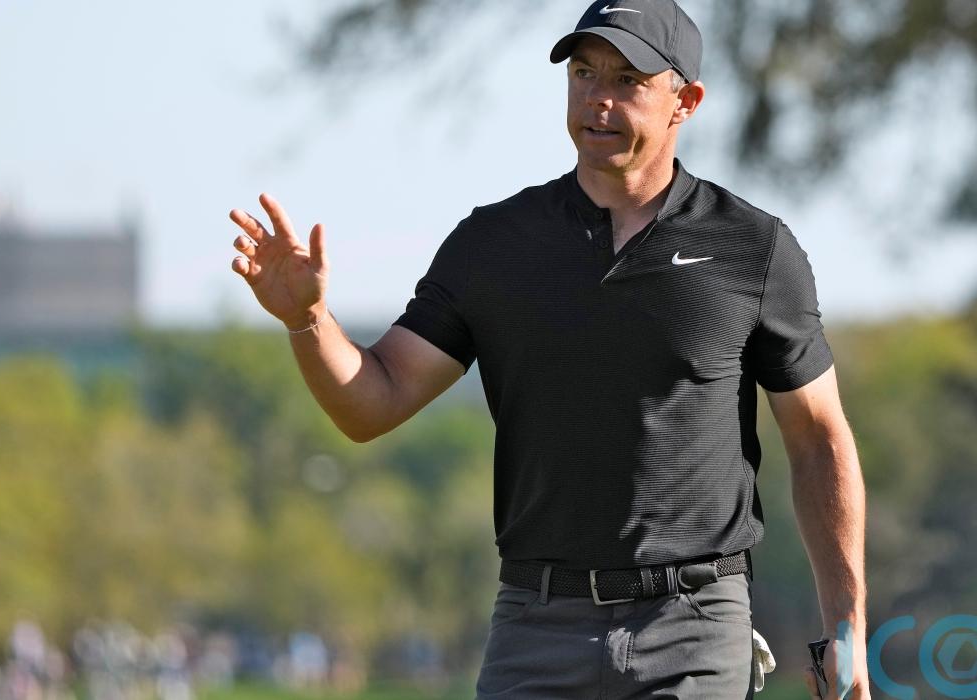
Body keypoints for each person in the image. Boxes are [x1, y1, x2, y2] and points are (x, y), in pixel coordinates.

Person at [228, 0, 868, 697]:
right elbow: (371, 403)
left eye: (628, 80)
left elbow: (819, 441)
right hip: (536, 628)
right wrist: (309, 320)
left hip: (693, 625)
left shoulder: (753, 247)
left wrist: (846, 629)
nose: (598, 99)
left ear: (685, 102)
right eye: (584, 73)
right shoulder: (493, 245)